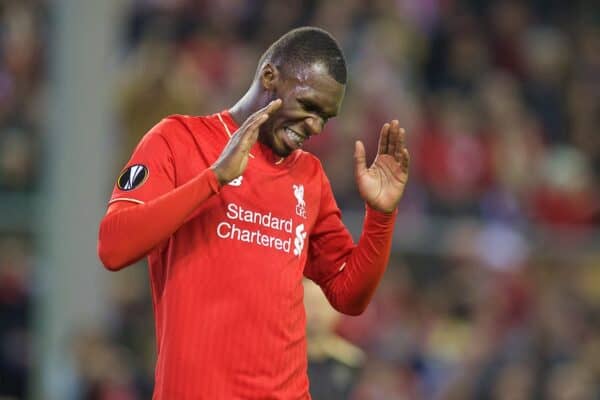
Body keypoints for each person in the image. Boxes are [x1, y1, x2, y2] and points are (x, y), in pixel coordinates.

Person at [98, 27, 409, 399]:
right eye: (309, 106)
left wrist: (381, 215)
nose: (315, 126)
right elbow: (114, 245)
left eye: (325, 117)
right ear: (269, 77)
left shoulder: (309, 176)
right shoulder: (177, 140)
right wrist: (214, 178)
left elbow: (348, 296)